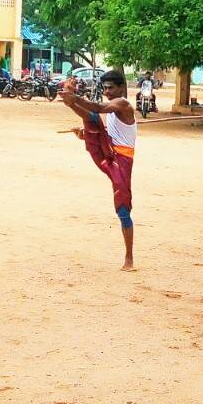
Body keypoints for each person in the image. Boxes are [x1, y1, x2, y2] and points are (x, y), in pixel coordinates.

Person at [58, 69, 137, 271]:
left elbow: (98, 107)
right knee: (92, 121)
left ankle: (129, 258)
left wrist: (75, 99)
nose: (107, 91)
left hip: (122, 160)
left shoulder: (123, 104)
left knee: (122, 207)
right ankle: (71, 105)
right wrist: (85, 135)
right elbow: (106, 134)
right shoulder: (112, 109)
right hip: (109, 153)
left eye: (111, 88)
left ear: (121, 88)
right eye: (105, 88)